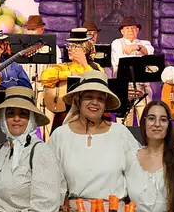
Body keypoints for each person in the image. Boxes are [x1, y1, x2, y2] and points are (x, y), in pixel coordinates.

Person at [0, 88, 64, 212]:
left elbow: (46, 204)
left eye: (23, 114)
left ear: (31, 119)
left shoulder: (40, 151)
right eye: (11, 113)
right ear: (4, 119)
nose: (16, 119)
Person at [49, 71, 141, 202]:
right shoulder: (61, 135)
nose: (95, 102)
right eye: (88, 97)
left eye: (100, 99)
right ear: (78, 100)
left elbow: (139, 174)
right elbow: (49, 180)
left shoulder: (120, 133)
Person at [40, 29, 104, 128]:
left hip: (90, 114)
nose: (69, 49)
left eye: (74, 47)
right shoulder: (65, 66)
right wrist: (69, 74)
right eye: (68, 46)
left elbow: (100, 82)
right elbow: (45, 77)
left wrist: (84, 63)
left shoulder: (96, 67)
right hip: (65, 113)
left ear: (84, 49)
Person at [111, 16, 154, 125]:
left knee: (146, 123)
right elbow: (120, 61)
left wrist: (136, 47)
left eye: (133, 28)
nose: (130, 31)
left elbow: (149, 55)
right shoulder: (117, 43)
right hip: (125, 89)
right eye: (127, 28)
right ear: (122, 31)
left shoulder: (145, 43)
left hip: (143, 89)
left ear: (137, 30)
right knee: (124, 125)